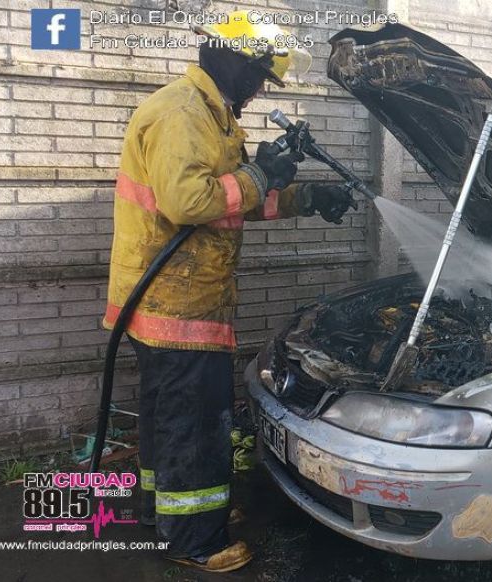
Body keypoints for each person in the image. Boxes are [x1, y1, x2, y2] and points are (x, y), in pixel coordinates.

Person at [102, 12, 354, 572]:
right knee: (194, 423)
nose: (261, 89)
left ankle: (165, 511)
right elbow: (189, 204)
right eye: (260, 76)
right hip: (177, 305)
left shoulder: (210, 116)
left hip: (172, 302)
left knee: (167, 417)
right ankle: (195, 540)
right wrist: (260, 175)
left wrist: (304, 197)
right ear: (237, 63)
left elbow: (229, 200)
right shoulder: (183, 114)